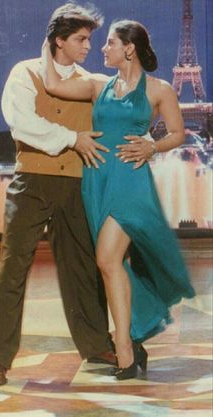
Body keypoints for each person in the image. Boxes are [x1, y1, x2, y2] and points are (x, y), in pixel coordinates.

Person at [41, 18, 195, 380]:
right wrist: (50, 42)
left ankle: (124, 347)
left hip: (130, 182)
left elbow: (178, 133)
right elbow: (52, 83)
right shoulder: (98, 85)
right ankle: (132, 342)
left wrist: (152, 145)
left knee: (107, 258)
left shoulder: (159, 89)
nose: (102, 48)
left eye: (109, 42)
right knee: (112, 265)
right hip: (97, 181)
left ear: (129, 47)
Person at [0, 3, 119, 387]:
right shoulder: (23, 73)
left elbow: (115, 122)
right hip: (32, 184)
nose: (88, 46)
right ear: (59, 40)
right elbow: (22, 123)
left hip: (77, 186)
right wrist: (71, 138)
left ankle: (96, 346)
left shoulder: (91, 82)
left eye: (90, 39)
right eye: (80, 39)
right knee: (12, 270)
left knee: (83, 270)